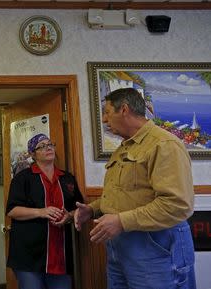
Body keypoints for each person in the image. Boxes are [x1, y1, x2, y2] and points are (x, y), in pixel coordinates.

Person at [74, 88, 196, 289]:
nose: (104, 119)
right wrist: (93, 209)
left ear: (124, 109)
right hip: (120, 248)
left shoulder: (163, 144)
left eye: (107, 112)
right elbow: (127, 191)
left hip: (155, 249)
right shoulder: (126, 146)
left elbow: (177, 205)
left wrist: (121, 221)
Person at [6, 133, 84, 289]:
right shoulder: (23, 178)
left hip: (61, 256)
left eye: (50, 144)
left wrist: (69, 216)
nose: (48, 148)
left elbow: (80, 208)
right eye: (42, 146)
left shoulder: (67, 178)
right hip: (28, 256)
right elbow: (12, 210)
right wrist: (41, 212)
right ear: (32, 154)